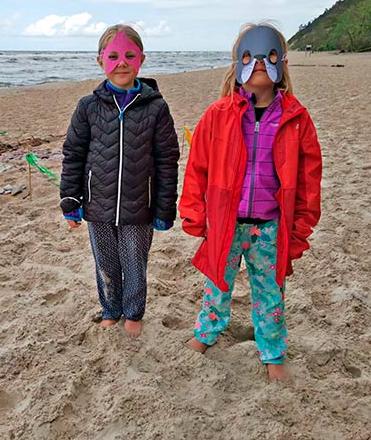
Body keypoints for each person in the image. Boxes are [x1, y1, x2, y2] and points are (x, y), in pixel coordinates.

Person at [179, 23, 322, 381]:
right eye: (250, 55)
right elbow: (198, 167)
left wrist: (301, 227)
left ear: (281, 63)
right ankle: (207, 333)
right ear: (237, 63)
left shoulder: (296, 118)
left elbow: (308, 177)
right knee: (217, 284)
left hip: (271, 226)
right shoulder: (217, 114)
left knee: (270, 293)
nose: (259, 62)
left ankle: (273, 351)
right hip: (225, 222)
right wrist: (196, 215)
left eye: (269, 55)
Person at [60, 24, 180, 337]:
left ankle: (134, 312)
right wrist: (71, 200)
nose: (121, 62)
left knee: (134, 264)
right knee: (106, 265)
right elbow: (73, 154)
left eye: (129, 55)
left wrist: (165, 209)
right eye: (113, 56)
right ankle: (111, 310)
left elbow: (168, 161)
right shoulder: (88, 107)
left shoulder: (156, 107)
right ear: (100, 61)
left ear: (141, 59)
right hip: (97, 206)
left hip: (140, 208)